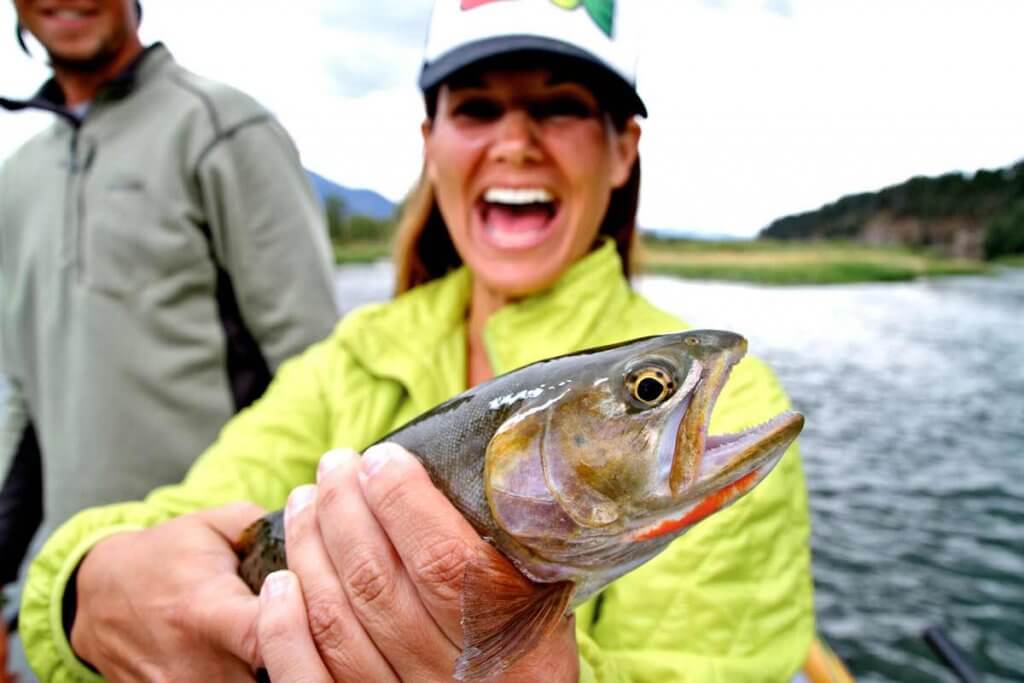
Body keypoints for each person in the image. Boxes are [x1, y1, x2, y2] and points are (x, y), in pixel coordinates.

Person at [19, 1, 821, 681]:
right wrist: (81, 590)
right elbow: (178, 516)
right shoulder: (351, 354)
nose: (515, 142)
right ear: (430, 141)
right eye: (475, 107)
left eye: (561, 105)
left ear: (622, 149)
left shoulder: (739, 404)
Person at [0, 0, 339, 672]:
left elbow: (321, 376)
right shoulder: (17, 179)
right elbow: (22, 399)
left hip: (218, 609)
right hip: (66, 609)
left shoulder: (223, 129)